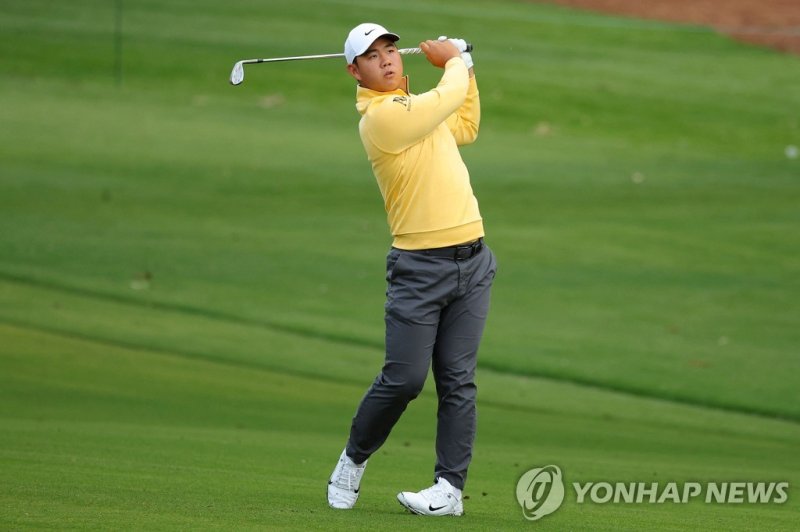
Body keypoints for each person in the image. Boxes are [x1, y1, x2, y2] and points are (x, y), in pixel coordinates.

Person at [327, 22, 497, 517]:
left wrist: (466, 72)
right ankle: (353, 461)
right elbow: (442, 102)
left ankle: (449, 489)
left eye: (390, 49)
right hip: (419, 269)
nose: (386, 59)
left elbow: (463, 124)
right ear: (353, 71)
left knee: (458, 381)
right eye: (372, 55)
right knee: (403, 380)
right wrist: (455, 60)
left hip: (473, 259)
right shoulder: (381, 118)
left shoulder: (419, 111)